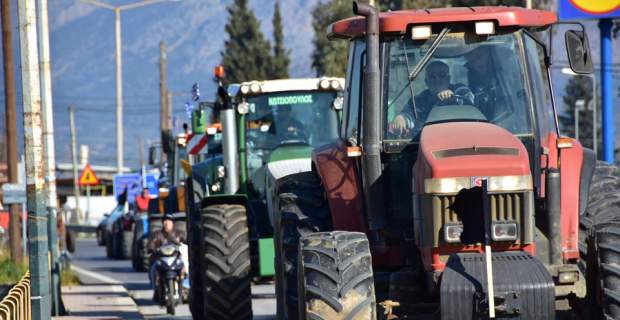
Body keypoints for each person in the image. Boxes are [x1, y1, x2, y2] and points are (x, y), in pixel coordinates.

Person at [391, 60, 473, 135]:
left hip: (461, 137)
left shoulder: (459, 89)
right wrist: (401, 118)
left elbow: (469, 100)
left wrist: (453, 97)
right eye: (432, 76)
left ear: (448, 79)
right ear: (426, 82)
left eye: (442, 75)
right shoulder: (419, 100)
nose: (437, 79)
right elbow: (409, 115)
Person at [147, 213, 186, 289]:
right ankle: (155, 285)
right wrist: (151, 248)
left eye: (169, 221)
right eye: (165, 221)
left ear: (172, 223)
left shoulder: (179, 234)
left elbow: (186, 241)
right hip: (162, 259)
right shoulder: (157, 234)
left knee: (185, 265)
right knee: (153, 267)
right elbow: (151, 243)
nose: (166, 223)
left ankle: (185, 285)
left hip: (176, 258)